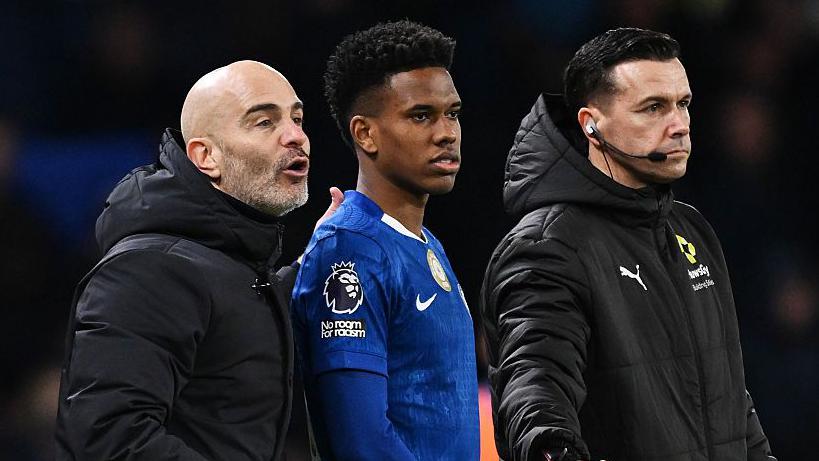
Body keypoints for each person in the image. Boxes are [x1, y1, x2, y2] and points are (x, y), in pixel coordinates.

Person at [481, 28, 776, 461]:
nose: (678, 126)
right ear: (591, 124)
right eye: (653, 108)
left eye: (683, 104)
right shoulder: (548, 246)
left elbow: (730, 399)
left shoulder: (691, 231)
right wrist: (550, 446)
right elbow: (536, 387)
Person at [55, 60, 342, 460]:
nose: (296, 137)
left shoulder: (235, 265)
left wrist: (315, 261)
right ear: (206, 156)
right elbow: (109, 439)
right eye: (264, 123)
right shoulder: (149, 269)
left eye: (297, 118)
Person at [291, 20, 479, 460]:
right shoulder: (349, 253)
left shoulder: (425, 243)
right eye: (421, 115)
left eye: (452, 113)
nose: (446, 132)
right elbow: (363, 443)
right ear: (365, 133)